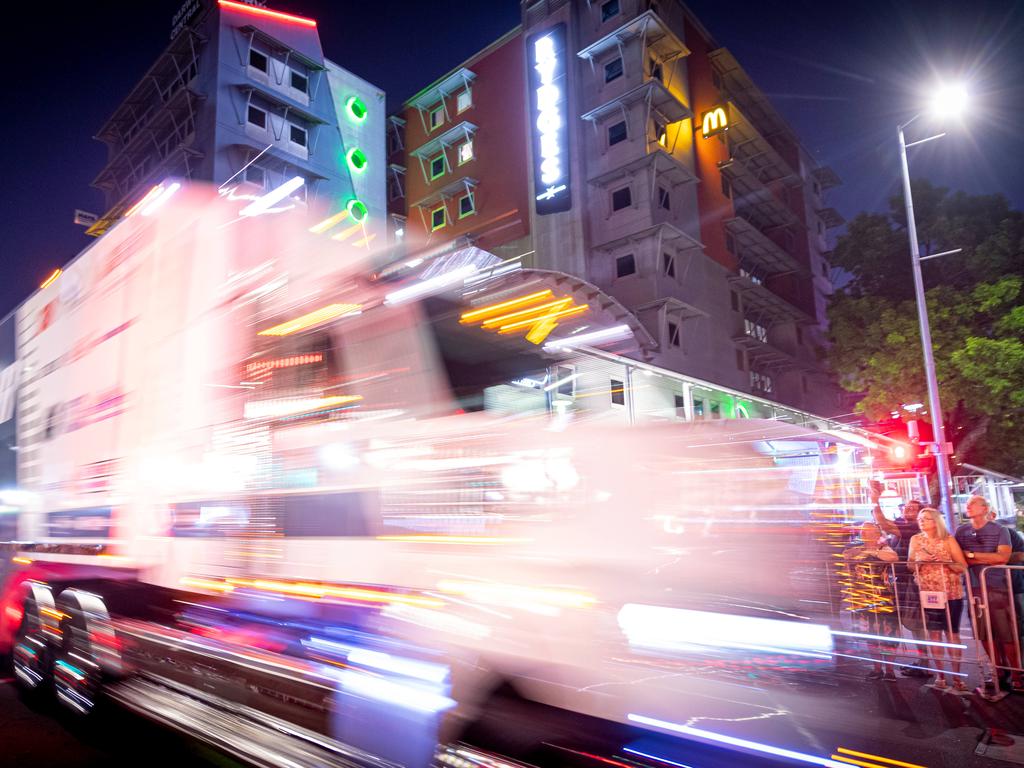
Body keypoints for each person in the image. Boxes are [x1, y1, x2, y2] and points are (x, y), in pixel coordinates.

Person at [954, 495, 1020, 696]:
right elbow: (957, 558)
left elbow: (1002, 557)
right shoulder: (961, 531)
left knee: (1006, 632)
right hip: (974, 588)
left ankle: (1018, 675)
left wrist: (972, 556)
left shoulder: (1000, 530)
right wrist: (984, 559)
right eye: (968, 504)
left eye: (973, 503)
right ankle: (998, 671)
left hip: (998, 587)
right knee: (983, 633)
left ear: (985, 508)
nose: (968, 506)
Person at [870, 486, 929, 677]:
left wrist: (875, 501)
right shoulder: (901, 526)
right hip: (899, 582)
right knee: (909, 623)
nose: (908, 510)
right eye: (907, 507)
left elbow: (884, 525)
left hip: (912, 583)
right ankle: (922, 661)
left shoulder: (913, 527)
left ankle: (925, 663)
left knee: (915, 623)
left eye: (913, 508)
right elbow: (883, 526)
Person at [908, 507, 968, 691]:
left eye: (926, 518)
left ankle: (957, 677)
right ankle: (940, 676)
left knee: (952, 634)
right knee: (934, 635)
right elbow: (910, 565)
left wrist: (943, 560)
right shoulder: (916, 540)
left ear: (936, 521)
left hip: (950, 593)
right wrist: (920, 561)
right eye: (920, 518)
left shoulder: (948, 539)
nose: (922, 521)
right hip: (929, 594)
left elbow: (962, 566)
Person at [843, 521, 900, 680]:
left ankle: (889, 670)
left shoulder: (884, 548)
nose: (865, 534)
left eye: (869, 531)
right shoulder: (855, 549)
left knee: (888, 635)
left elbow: (893, 557)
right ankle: (877, 668)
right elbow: (846, 556)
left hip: (885, 599)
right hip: (864, 598)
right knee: (871, 635)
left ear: (878, 534)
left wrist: (871, 551)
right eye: (863, 531)